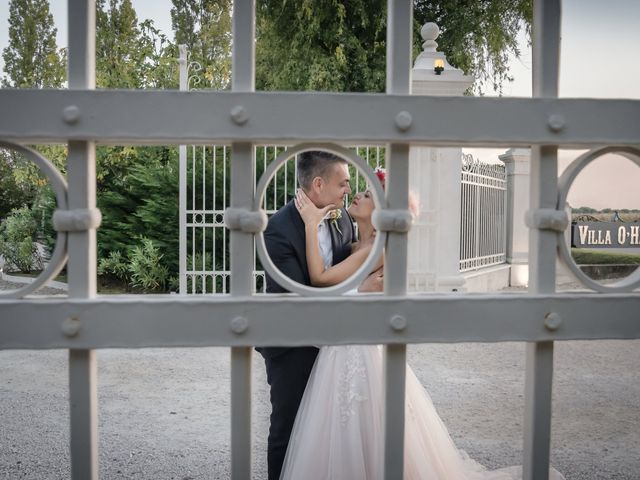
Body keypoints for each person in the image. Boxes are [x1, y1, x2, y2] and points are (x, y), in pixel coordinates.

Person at [280, 169, 565, 480]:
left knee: (366, 429)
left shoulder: (377, 251)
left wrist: (309, 225)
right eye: (360, 191)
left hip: (360, 352)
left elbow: (321, 279)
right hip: (342, 350)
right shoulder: (350, 244)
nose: (357, 195)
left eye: (367, 195)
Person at [258, 150, 356, 480]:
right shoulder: (277, 229)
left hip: (336, 347)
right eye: (343, 183)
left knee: (327, 432)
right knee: (287, 427)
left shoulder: (342, 218)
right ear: (318, 183)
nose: (348, 189)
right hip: (292, 344)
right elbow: (299, 294)